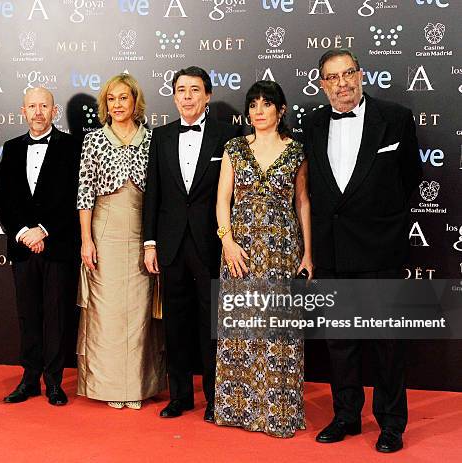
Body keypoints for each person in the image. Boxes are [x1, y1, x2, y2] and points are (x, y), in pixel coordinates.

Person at [303, 49, 422, 453]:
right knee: (340, 341)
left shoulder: (396, 118)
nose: (341, 83)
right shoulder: (313, 122)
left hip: (379, 248)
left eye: (348, 73)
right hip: (332, 251)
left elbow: (411, 177)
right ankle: (346, 416)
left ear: (361, 74)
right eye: (332, 77)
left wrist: (380, 221)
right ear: (322, 84)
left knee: (388, 342)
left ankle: (391, 423)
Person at [213, 81, 312, 437]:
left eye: (266, 103)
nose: (258, 110)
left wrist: (308, 254)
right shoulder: (235, 148)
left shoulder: (297, 151)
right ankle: (236, 410)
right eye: (253, 103)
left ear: (280, 110)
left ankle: (278, 415)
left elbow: (302, 202)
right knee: (239, 330)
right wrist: (227, 242)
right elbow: (223, 199)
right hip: (240, 250)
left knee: (278, 333)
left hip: (283, 250)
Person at [143, 66, 239, 422]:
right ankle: (180, 396)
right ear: (173, 96)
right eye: (181, 89)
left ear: (208, 95)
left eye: (194, 90)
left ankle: (216, 400)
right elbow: (153, 192)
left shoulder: (228, 135)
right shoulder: (161, 135)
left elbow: (233, 196)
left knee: (211, 325)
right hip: (169, 244)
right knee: (175, 325)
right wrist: (149, 243)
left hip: (211, 243)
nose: (187, 96)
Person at [76, 73, 166, 410]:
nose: (117, 105)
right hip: (104, 230)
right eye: (111, 99)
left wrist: (153, 240)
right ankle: (109, 386)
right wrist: (86, 240)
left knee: (140, 309)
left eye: (123, 98)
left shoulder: (153, 140)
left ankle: (138, 386)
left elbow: (158, 193)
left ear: (135, 101)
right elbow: (84, 192)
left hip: (143, 232)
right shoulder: (94, 140)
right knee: (107, 311)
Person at [0, 87, 81, 406]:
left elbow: (73, 197)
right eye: (32, 106)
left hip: (58, 246)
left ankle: (54, 382)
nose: (39, 111)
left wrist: (43, 230)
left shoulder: (72, 146)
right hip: (22, 247)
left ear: (54, 111)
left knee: (57, 316)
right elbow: (2, 198)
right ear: (23, 111)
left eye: (44, 106)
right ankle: (29, 379)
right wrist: (22, 233)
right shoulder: (13, 147)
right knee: (28, 315)